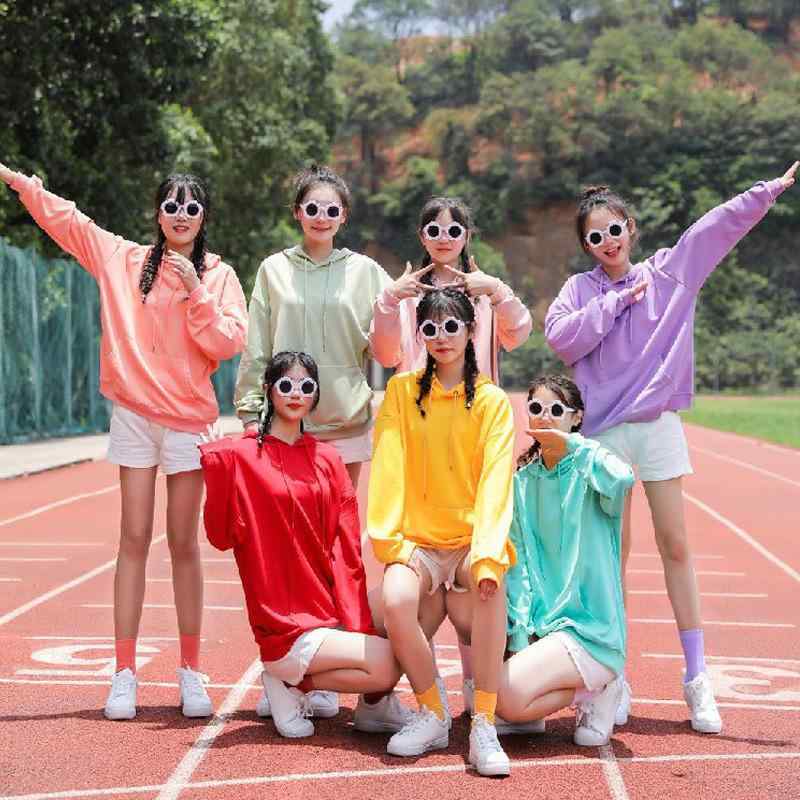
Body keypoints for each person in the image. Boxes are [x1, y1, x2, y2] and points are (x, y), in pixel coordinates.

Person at [544, 161, 799, 733]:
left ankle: (697, 678)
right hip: (603, 432)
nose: (608, 242)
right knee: (612, 555)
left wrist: (765, 192)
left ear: (630, 228)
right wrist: (615, 303)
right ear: (586, 245)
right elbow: (562, 338)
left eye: (615, 230)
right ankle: (614, 676)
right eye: (595, 236)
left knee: (675, 544)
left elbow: (711, 230)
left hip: (657, 424)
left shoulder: (669, 272)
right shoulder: (580, 290)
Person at [0, 162, 248, 720]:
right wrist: (21, 184)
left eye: (191, 206)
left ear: (203, 216)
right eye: (171, 205)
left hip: (188, 420)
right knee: (132, 538)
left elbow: (228, 342)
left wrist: (195, 291)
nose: (180, 214)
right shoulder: (124, 259)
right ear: (158, 213)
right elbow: (70, 223)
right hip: (134, 415)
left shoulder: (220, 275)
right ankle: (123, 674)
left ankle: (190, 671)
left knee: (183, 544)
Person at [370, 195, 531, 707]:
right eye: (433, 229)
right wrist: (389, 301)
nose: (443, 237)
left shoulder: (482, 291)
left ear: (467, 235)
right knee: (402, 597)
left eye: (453, 229)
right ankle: (416, 699)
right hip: (418, 421)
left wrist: (498, 291)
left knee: (478, 586)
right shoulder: (407, 294)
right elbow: (386, 353)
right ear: (421, 236)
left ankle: (476, 693)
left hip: (471, 421)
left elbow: (519, 333)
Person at [200, 351, 401, 738]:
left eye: (306, 386)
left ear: (316, 395)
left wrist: (353, 619)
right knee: (389, 664)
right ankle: (286, 679)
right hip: (284, 623)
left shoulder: (327, 459)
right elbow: (220, 537)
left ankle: (311, 685)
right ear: (268, 390)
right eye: (286, 385)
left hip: (325, 608)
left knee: (405, 616)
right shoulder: (242, 456)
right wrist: (217, 471)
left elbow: (346, 545)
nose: (296, 394)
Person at [367, 288, 516, 777]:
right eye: (430, 328)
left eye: (452, 326)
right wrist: (394, 543)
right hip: (419, 542)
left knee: (492, 587)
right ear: (420, 336)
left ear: (471, 331)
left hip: (471, 542)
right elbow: (388, 468)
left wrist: (487, 555)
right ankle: (432, 711)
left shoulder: (492, 401)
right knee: (395, 601)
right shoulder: (401, 392)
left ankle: (484, 723)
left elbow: (496, 481)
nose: (441, 336)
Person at [498, 375, 634, 747]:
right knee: (500, 702)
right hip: (545, 628)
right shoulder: (523, 481)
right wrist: (519, 637)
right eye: (536, 408)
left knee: (508, 695)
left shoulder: (592, 471)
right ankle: (581, 689)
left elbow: (623, 479)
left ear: (576, 418)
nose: (544, 417)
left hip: (591, 631)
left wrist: (573, 444)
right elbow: (519, 566)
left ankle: (602, 686)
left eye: (556, 410)